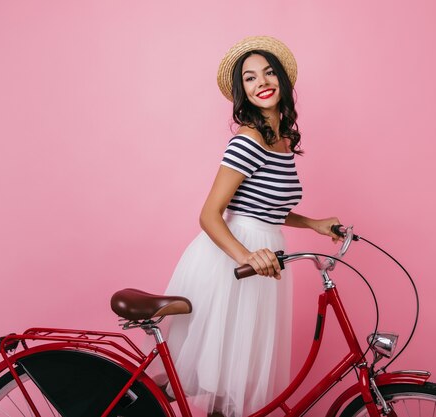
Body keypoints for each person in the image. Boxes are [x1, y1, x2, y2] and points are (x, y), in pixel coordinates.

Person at [163, 36, 340, 417]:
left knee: (230, 383)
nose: (261, 81)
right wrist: (247, 256)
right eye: (249, 77)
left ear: (282, 81)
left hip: (264, 256)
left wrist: (313, 224)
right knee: (211, 374)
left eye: (268, 72)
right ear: (241, 92)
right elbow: (211, 214)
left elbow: (267, 207)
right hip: (232, 258)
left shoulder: (284, 139)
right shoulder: (249, 138)